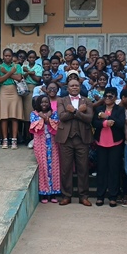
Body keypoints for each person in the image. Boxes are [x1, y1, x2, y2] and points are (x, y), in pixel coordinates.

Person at [56, 79, 94, 207]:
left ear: (80, 87)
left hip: (82, 138)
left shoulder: (87, 101)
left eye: (76, 86)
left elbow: (89, 118)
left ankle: (83, 196)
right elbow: (62, 117)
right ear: (67, 88)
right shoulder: (62, 100)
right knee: (66, 168)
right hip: (66, 138)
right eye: (72, 85)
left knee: (83, 168)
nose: (74, 87)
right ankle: (66, 195)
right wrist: (77, 112)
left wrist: (74, 111)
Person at [91, 87, 125, 207]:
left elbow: (120, 124)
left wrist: (107, 117)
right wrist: (104, 123)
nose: (107, 98)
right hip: (101, 143)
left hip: (115, 144)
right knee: (101, 170)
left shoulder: (120, 110)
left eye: (110, 96)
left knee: (114, 170)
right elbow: (94, 123)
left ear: (115, 98)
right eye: (105, 96)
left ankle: (113, 196)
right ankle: (100, 196)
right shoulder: (99, 109)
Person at [30, 95, 61, 203]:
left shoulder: (54, 113)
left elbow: (56, 125)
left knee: (54, 167)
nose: (44, 104)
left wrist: (46, 118)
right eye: (42, 102)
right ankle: (44, 194)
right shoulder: (33, 114)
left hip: (53, 143)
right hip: (40, 144)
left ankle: (53, 193)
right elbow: (34, 126)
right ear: (38, 103)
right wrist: (45, 119)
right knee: (43, 167)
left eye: (46, 102)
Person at [0, 48, 24, 149]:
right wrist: (11, 73)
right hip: (3, 91)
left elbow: (19, 78)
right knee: (4, 117)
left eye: (9, 56)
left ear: (12, 57)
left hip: (14, 91)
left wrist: (6, 72)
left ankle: (14, 140)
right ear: (3, 56)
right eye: (6, 56)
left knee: (14, 116)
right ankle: (5, 140)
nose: (7, 57)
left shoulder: (17, 66)